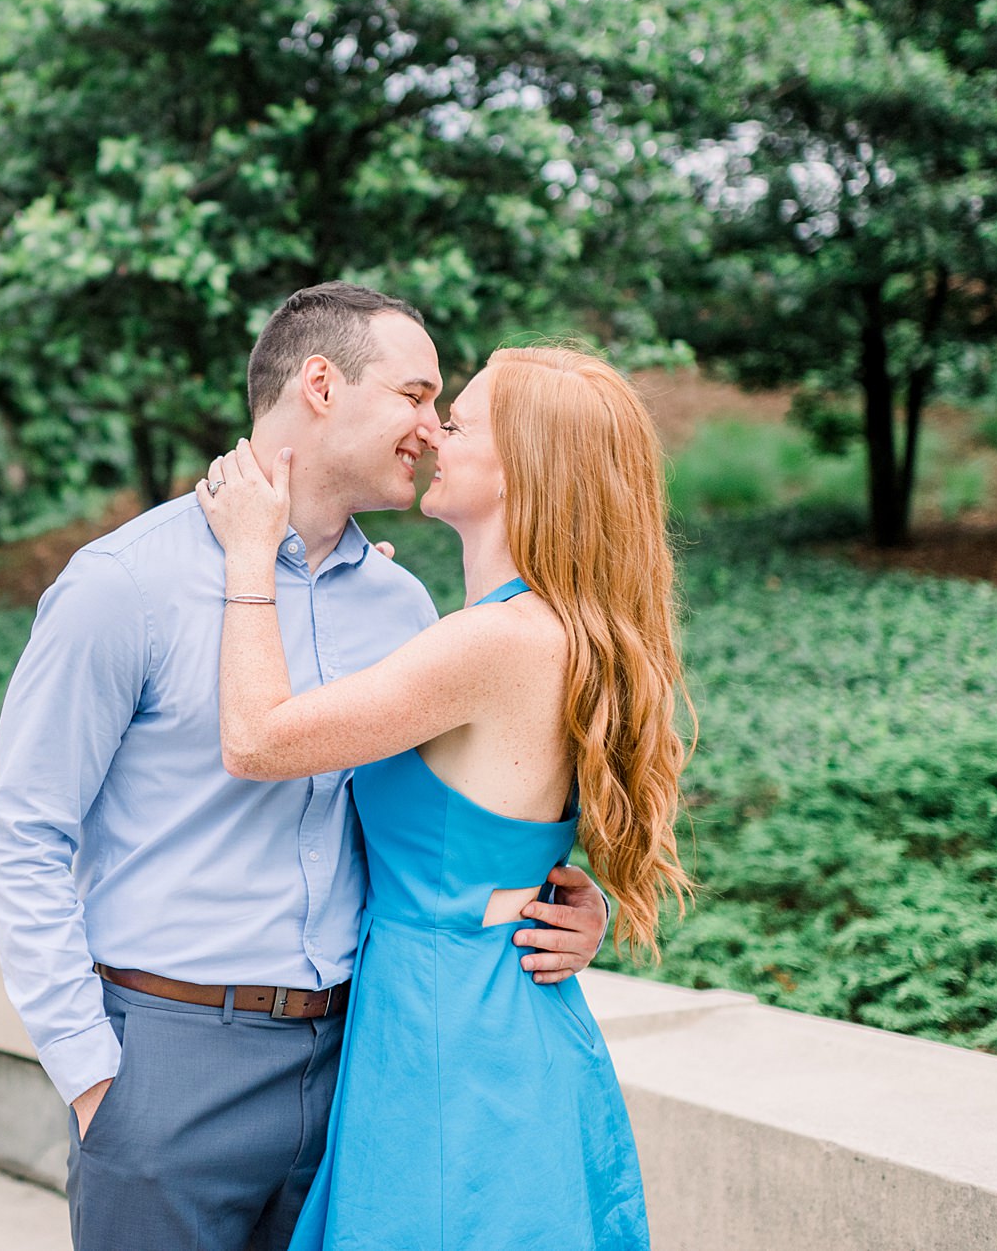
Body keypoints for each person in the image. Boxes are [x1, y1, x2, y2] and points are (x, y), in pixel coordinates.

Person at [0, 284, 610, 1251]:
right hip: (172, 1064)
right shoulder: (123, 585)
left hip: (363, 1063)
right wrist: (94, 1076)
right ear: (320, 382)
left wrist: (560, 899)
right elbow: (22, 835)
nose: (432, 428)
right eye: (414, 395)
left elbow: (450, 807)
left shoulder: (404, 606)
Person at [196, 342, 692, 1250]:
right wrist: (564, 889)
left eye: (458, 424)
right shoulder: (548, 628)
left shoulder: (490, 644)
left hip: (449, 1035)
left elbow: (258, 739)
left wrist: (249, 558)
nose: (431, 435)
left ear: (521, 474)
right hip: (496, 1012)